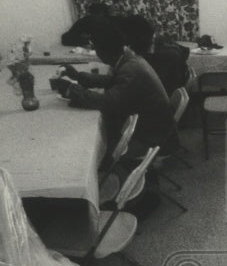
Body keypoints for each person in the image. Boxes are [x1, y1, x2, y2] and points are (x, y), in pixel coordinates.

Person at [55, 18, 179, 197]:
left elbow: (108, 102)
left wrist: (71, 88)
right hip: (158, 128)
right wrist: (79, 76)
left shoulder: (130, 68)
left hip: (153, 138)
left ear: (103, 52)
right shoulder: (129, 59)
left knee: (93, 141)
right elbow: (112, 81)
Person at [60, 7, 190, 93]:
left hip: (150, 119)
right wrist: (79, 77)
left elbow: (113, 98)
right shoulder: (145, 54)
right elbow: (117, 81)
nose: (126, 47)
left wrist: (75, 90)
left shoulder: (149, 59)